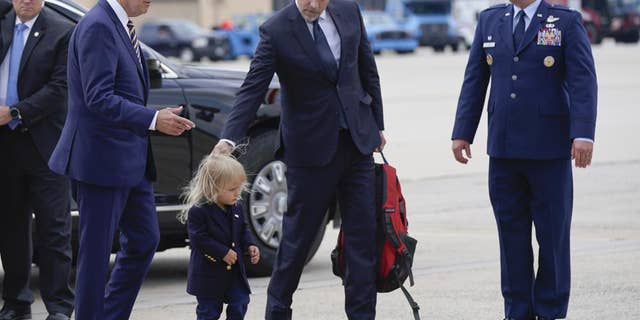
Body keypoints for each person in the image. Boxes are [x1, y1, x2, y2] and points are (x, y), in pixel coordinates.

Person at [212, 0, 386, 319]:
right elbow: (253, 88)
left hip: (357, 144)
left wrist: (377, 124)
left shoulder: (349, 11)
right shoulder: (277, 29)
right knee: (296, 243)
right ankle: (278, 312)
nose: (312, 4)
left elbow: (366, 68)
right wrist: (228, 137)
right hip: (310, 152)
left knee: (362, 242)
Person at [47, 0, 195, 318]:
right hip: (101, 160)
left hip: (132, 160)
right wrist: (153, 120)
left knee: (144, 239)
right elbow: (98, 97)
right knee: (96, 257)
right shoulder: (98, 26)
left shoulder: (121, 24)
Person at [451, 0, 597, 319]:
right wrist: (462, 131)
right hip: (503, 151)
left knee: (552, 237)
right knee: (511, 236)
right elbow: (475, 79)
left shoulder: (564, 22)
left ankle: (550, 310)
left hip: (549, 150)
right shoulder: (490, 20)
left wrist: (583, 133)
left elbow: (583, 81)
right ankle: (517, 310)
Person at [0, 0, 74, 319]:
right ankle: (17, 303)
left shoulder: (63, 31)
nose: (25, 1)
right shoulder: (3, 21)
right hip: (4, 146)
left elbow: (60, 88)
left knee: (53, 230)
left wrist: (16, 112)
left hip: (45, 145)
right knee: (11, 228)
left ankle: (58, 307)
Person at [181, 154, 260, 320]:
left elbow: (242, 229)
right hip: (209, 274)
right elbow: (198, 239)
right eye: (232, 189)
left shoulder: (236, 206)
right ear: (213, 187)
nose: (237, 193)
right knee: (209, 311)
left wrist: (250, 245)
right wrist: (222, 252)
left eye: (239, 188)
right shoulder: (199, 211)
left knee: (240, 302)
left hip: (234, 274)